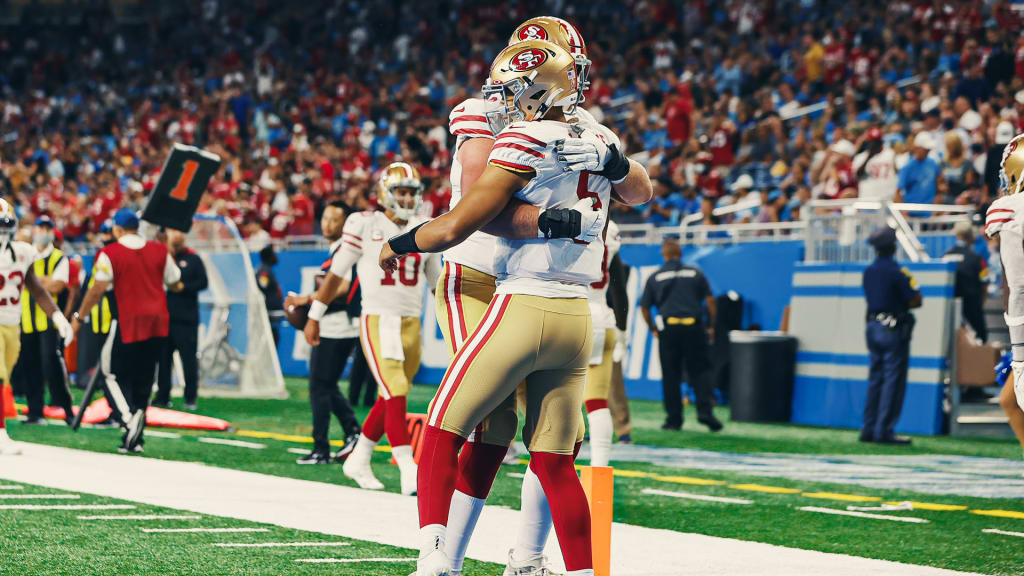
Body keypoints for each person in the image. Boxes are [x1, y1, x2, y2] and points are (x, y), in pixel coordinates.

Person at [379, 39, 650, 576]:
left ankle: (437, 561)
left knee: (444, 427)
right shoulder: (594, 133)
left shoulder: (527, 133)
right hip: (574, 311)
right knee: (555, 457)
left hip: (518, 296)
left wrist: (401, 243)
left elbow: (467, 217)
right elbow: (638, 192)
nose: (500, 95)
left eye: (510, 85)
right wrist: (606, 172)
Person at [305, 163, 441, 495]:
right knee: (395, 389)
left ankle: (360, 456)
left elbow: (436, 282)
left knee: (389, 394)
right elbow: (337, 273)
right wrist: (314, 315)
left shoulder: (425, 225)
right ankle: (408, 466)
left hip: (411, 322)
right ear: (385, 193)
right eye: (401, 192)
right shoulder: (364, 224)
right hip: (379, 318)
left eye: (412, 192)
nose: (407, 198)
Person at [71, 209, 183, 453]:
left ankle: (128, 420)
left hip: (127, 320)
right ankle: (135, 439)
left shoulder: (109, 253)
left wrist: (80, 316)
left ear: (117, 230)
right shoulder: (159, 250)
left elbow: (97, 289)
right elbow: (175, 282)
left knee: (109, 373)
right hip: (157, 323)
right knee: (144, 379)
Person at [286, 201, 363, 465]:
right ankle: (353, 431)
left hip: (338, 326)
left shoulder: (346, 248)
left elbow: (341, 288)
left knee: (319, 387)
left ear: (346, 224)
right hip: (338, 325)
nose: (328, 224)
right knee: (325, 385)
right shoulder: (338, 248)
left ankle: (321, 448)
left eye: (335, 219)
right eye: (326, 218)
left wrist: (305, 300)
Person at [0, 200, 73, 454]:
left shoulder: (22, 252)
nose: (2, 232)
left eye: (4, 226)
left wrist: (57, 316)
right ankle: (0, 434)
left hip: (12, 324)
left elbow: (37, 288)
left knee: (6, 376)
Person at [639, 238, 722, 432]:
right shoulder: (695, 273)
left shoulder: (655, 277)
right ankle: (705, 412)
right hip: (694, 328)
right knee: (700, 371)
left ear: (664, 255)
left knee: (671, 375)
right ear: (680, 253)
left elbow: (644, 308)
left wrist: (653, 328)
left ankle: (674, 420)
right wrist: (710, 326)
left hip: (669, 330)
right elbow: (710, 301)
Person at [861, 226, 921, 445]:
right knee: (892, 381)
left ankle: (868, 428)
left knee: (875, 379)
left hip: (872, 327)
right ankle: (884, 430)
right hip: (892, 329)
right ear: (893, 247)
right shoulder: (898, 272)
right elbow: (916, 300)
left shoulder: (869, 272)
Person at [984, 132, 1024, 460]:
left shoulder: (1010, 212)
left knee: (1013, 400)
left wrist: (1018, 346)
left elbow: (1014, 287)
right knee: (1011, 400)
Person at [16, 215, 73, 425]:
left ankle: (65, 405)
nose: (43, 231)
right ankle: (35, 410)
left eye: (48, 228)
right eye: (41, 227)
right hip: (26, 320)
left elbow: (57, 286)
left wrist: (33, 281)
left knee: (51, 362)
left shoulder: (59, 257)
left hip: (49, 321)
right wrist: (44, 280)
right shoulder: (25, 254)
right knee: (29, 365)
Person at [154, 229, 208, 410]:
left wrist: (184, 287)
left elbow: (203, 282)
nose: (176, 236)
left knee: (189, 361)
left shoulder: (193, 259)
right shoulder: (162, 257)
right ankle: (162, 396)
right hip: (164, 319)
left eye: (179, 233)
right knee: (162, 361)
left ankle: (190, 397)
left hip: (186, 320)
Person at [945, 220, 987, 342]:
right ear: (971, 236)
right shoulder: (977, 259)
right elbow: (985, 284)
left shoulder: (945, 257)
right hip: (972, 309)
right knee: (980, 339)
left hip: (950, 310)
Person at [897, 132, 942, 204]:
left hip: (930, 211)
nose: (928, 151)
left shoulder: (933, 164)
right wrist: (903, 212)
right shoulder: (907, 167)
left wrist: (937, 200)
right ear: (917, 148)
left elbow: (939, 183)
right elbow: (898, 192)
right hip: (912, 211)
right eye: (926, 149)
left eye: (928, 149)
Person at [256, 245, 284, 348]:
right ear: (269, 256)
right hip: (268, 314)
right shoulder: (264, 271)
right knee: (271, 342)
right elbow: (263, 286)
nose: (276, 257)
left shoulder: (267, 270)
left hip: (272, 315)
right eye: (274, 254)